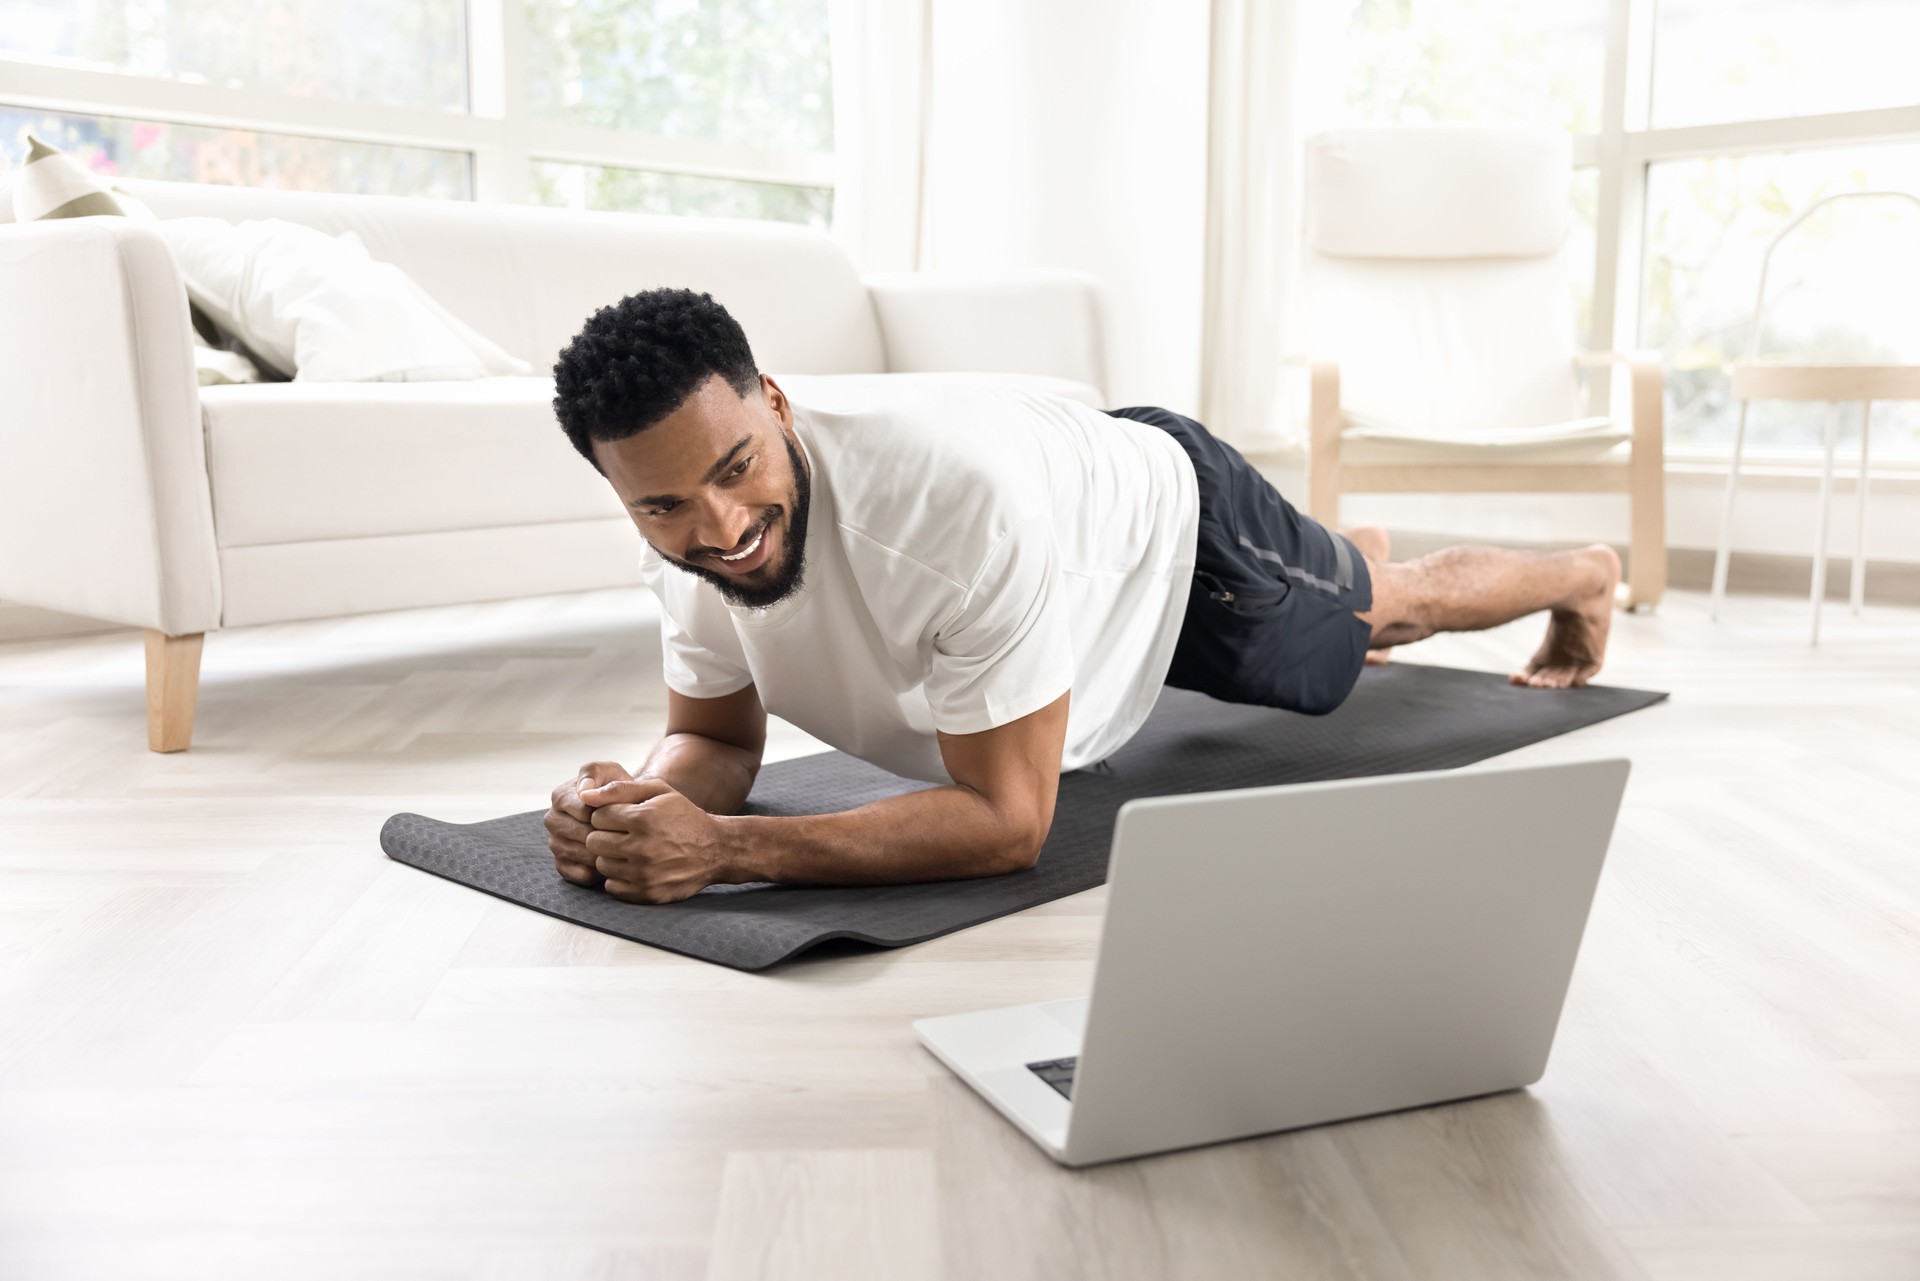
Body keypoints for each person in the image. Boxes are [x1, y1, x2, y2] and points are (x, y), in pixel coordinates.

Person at [543, 288, 1620, 904]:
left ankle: (1579, 574)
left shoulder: (949, 514)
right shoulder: (682, 541)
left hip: (1181, 540)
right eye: (666, 506)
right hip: (1060, 536)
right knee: (1352, 595)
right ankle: (1342, 562)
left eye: (739, 471)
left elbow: (1011, 823)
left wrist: (725, 851)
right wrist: (640, 803)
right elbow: (719, 746)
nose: (719, 532)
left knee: (1384, 618)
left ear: (775, 403)